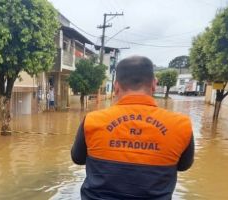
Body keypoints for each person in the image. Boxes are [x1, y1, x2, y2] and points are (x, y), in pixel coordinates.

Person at [71, 56, 194, 200]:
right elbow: (183, 166)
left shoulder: (92, 121)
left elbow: (77, 158)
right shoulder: (181, 125)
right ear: (154, 84)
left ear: (116, 86)